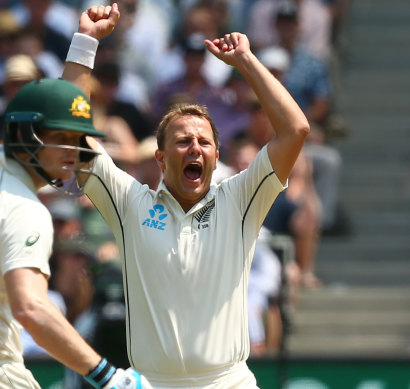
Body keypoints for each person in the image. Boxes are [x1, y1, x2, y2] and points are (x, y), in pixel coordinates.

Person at [0, 4, 150, 389]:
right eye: (62, 139)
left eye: (76, 139)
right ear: (25, 136)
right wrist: (108, 376)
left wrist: (85, 43)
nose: (75, 150)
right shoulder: (23, 209)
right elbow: (31, 307)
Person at [62, 8, 310, 388]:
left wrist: (246, 61)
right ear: (160, 158)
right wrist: (85, 41)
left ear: (215, 156)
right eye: (182, 141)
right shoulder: (131, 203)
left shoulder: (240, 199)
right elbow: (71, 134)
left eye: (204, 142)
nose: (195, 147)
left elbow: (295, 129)